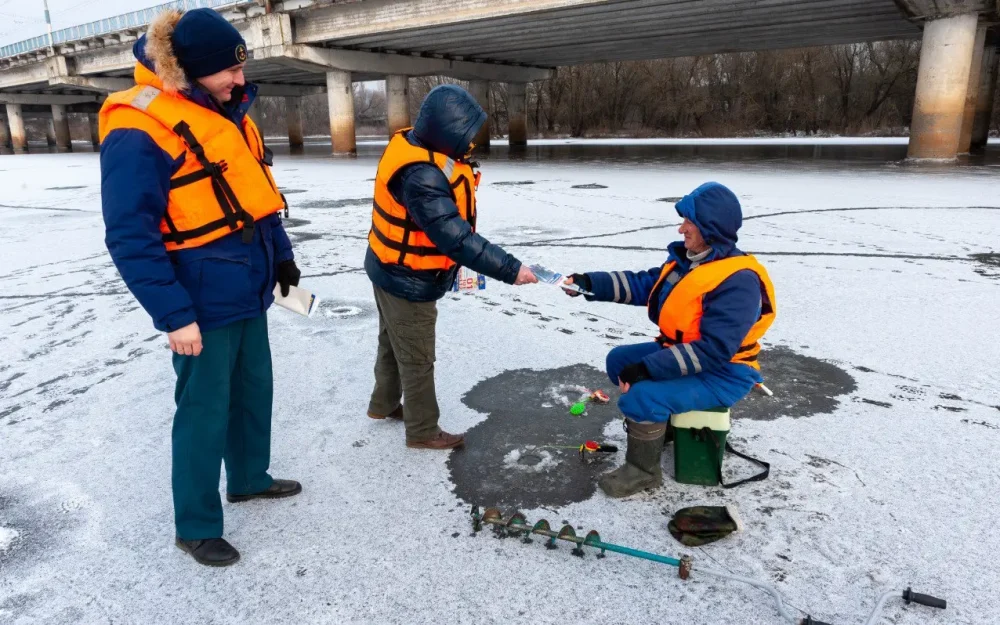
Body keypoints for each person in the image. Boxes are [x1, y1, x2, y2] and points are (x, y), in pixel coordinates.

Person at [100, 8, 302, 567]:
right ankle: (194, 524)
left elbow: (257, 196)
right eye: (227, 71)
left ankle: (248, 478)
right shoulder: (137, 129)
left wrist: (281, 258)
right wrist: (172, 314)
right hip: (198, 303)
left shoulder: (229, 114)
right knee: (202, 411)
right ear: (188, 70)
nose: (240, 80)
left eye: (241, 68)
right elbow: (129, 235)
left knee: (253, 390)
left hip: (249, 285)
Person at [563, 182, 777, 498]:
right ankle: (659, 428)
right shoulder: (690, 262)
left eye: (689, 222)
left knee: (641, 394)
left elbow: (713, 351)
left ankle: (642, 472)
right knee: (619, 361)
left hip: (724, 373)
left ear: (710, 227)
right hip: (686, 356)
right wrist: (589, 284)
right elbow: (644, 285)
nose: (681, 228)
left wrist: (648, 369)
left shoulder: (739, 282)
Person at [365, 85, 538, 450]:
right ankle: (423, 430)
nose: (472, 141)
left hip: (386, 267)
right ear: (447, 131)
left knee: (391, 342)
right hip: (408, 278)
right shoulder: (422, 176)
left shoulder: (420, 149)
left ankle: (382, 405)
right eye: (467, 134)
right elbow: (455, 239)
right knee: (416, 356)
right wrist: (511, 269)